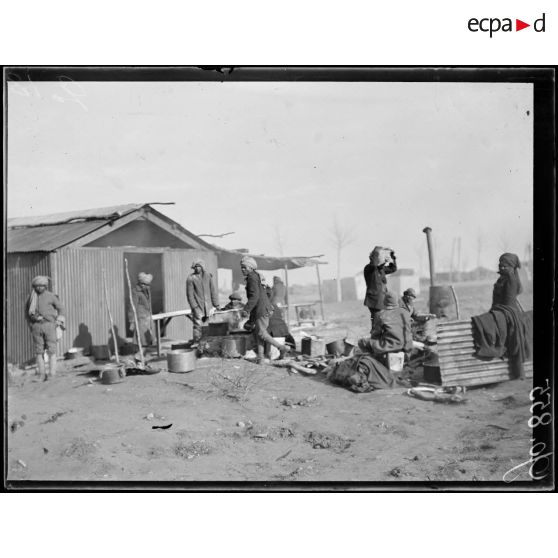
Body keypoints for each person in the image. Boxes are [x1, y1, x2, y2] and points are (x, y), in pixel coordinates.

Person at [240, 255, 290, 363]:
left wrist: (246, 309)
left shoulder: (252, 278)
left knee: (262, 333)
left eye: (245, 267)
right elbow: (266, 293)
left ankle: (281, 348)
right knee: (259, 333)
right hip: (263, 308)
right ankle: (261, 358)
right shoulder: (257, 276)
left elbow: (254, 296)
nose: (242, 269)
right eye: (242, 267)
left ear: (251, 268)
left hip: (261, 309)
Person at [25, 276, 65, 381]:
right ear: (34, 286)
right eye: (37, 286)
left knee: (52, 350)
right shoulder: (31, 297)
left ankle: (52, 374)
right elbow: (26, 313)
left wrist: (59, 321)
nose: (39, 288)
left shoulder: (51, 296)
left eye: (41, 286)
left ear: (45, 286)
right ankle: (41, 375)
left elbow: (61, 309)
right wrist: (31, 324)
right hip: (36, 327)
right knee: (39, 352)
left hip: (49, 326)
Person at [358, 290, 412, 358]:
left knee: (362, 342)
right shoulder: (405, 313)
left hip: (389, 346)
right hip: (406, 347)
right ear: (396, 300)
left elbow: (375, 334)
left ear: (385, 301)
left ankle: (373, 359)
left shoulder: (381, 315)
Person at [363, 246, 397, 333]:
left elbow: (393, 269)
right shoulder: (369, 268)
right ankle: (375, 341)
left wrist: (392, 257)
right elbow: (374, 265)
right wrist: (379, 255)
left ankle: (379, 339)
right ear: (374, 257)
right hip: (374, 301)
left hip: (381, 300)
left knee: (381, 321)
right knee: (376, 322)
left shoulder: (380, 269)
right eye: (379, 256)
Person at [186, 259, 219, 344]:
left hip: (209, 308)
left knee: (208, 327)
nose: (197, 268)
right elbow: (190, 295)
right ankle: (197, 344)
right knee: (198, 327)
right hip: (198, 307)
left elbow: (213, 291)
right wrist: (195, 307)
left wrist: (216, 304)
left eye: (199, 266)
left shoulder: (208, 276)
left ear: (202, 267)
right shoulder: (191, 278)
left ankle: (206, 346)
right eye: (195, 266)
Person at [129, 272, 154, 346]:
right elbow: (132, 306)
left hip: (147, 317)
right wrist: (132, 321)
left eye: (147, 285)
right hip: (141, 318)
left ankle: (147, 350)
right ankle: (141, 351)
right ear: (140, 283)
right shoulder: (136, 292)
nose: (146, 286)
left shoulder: (147, 291)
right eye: (144, 284)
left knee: (149, 336)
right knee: (141, 338)